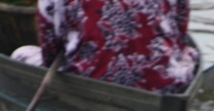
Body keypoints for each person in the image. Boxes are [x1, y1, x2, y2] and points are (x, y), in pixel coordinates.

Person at [32, 0, 199, 94]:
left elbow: (50, 53)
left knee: (21, 53)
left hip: (94, 81)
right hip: (165, 84)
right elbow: (181, 35)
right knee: (189, 54)